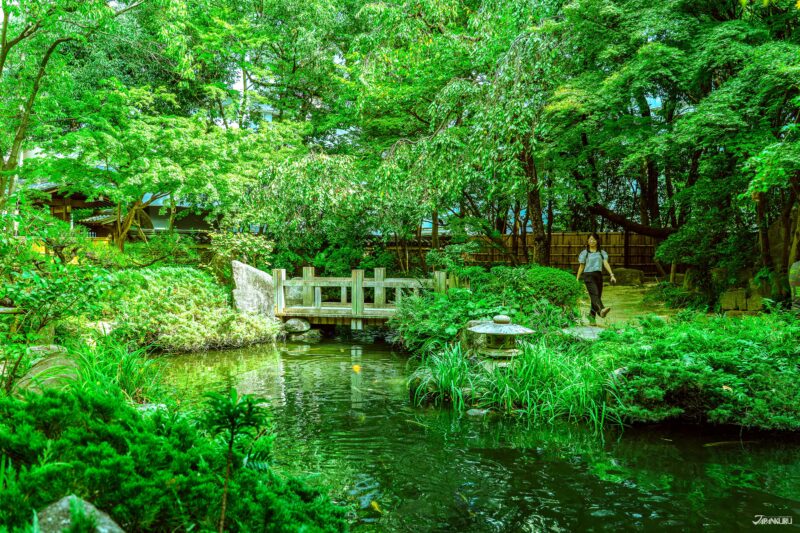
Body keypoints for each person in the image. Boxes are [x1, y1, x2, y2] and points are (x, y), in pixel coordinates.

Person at [576, 233, 616, 323]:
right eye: (590, 239)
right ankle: (601, 310)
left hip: (598, 276)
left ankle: (591, 317)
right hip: (588, 276)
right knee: (595, 294)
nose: (592, 241)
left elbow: (605, 264)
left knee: (596, 296)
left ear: (597, 241)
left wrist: (612, 275)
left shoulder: (602, 253)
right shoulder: (584, 253)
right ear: (587, 241)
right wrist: (577, 278)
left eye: (594, 239)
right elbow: (581, 266)